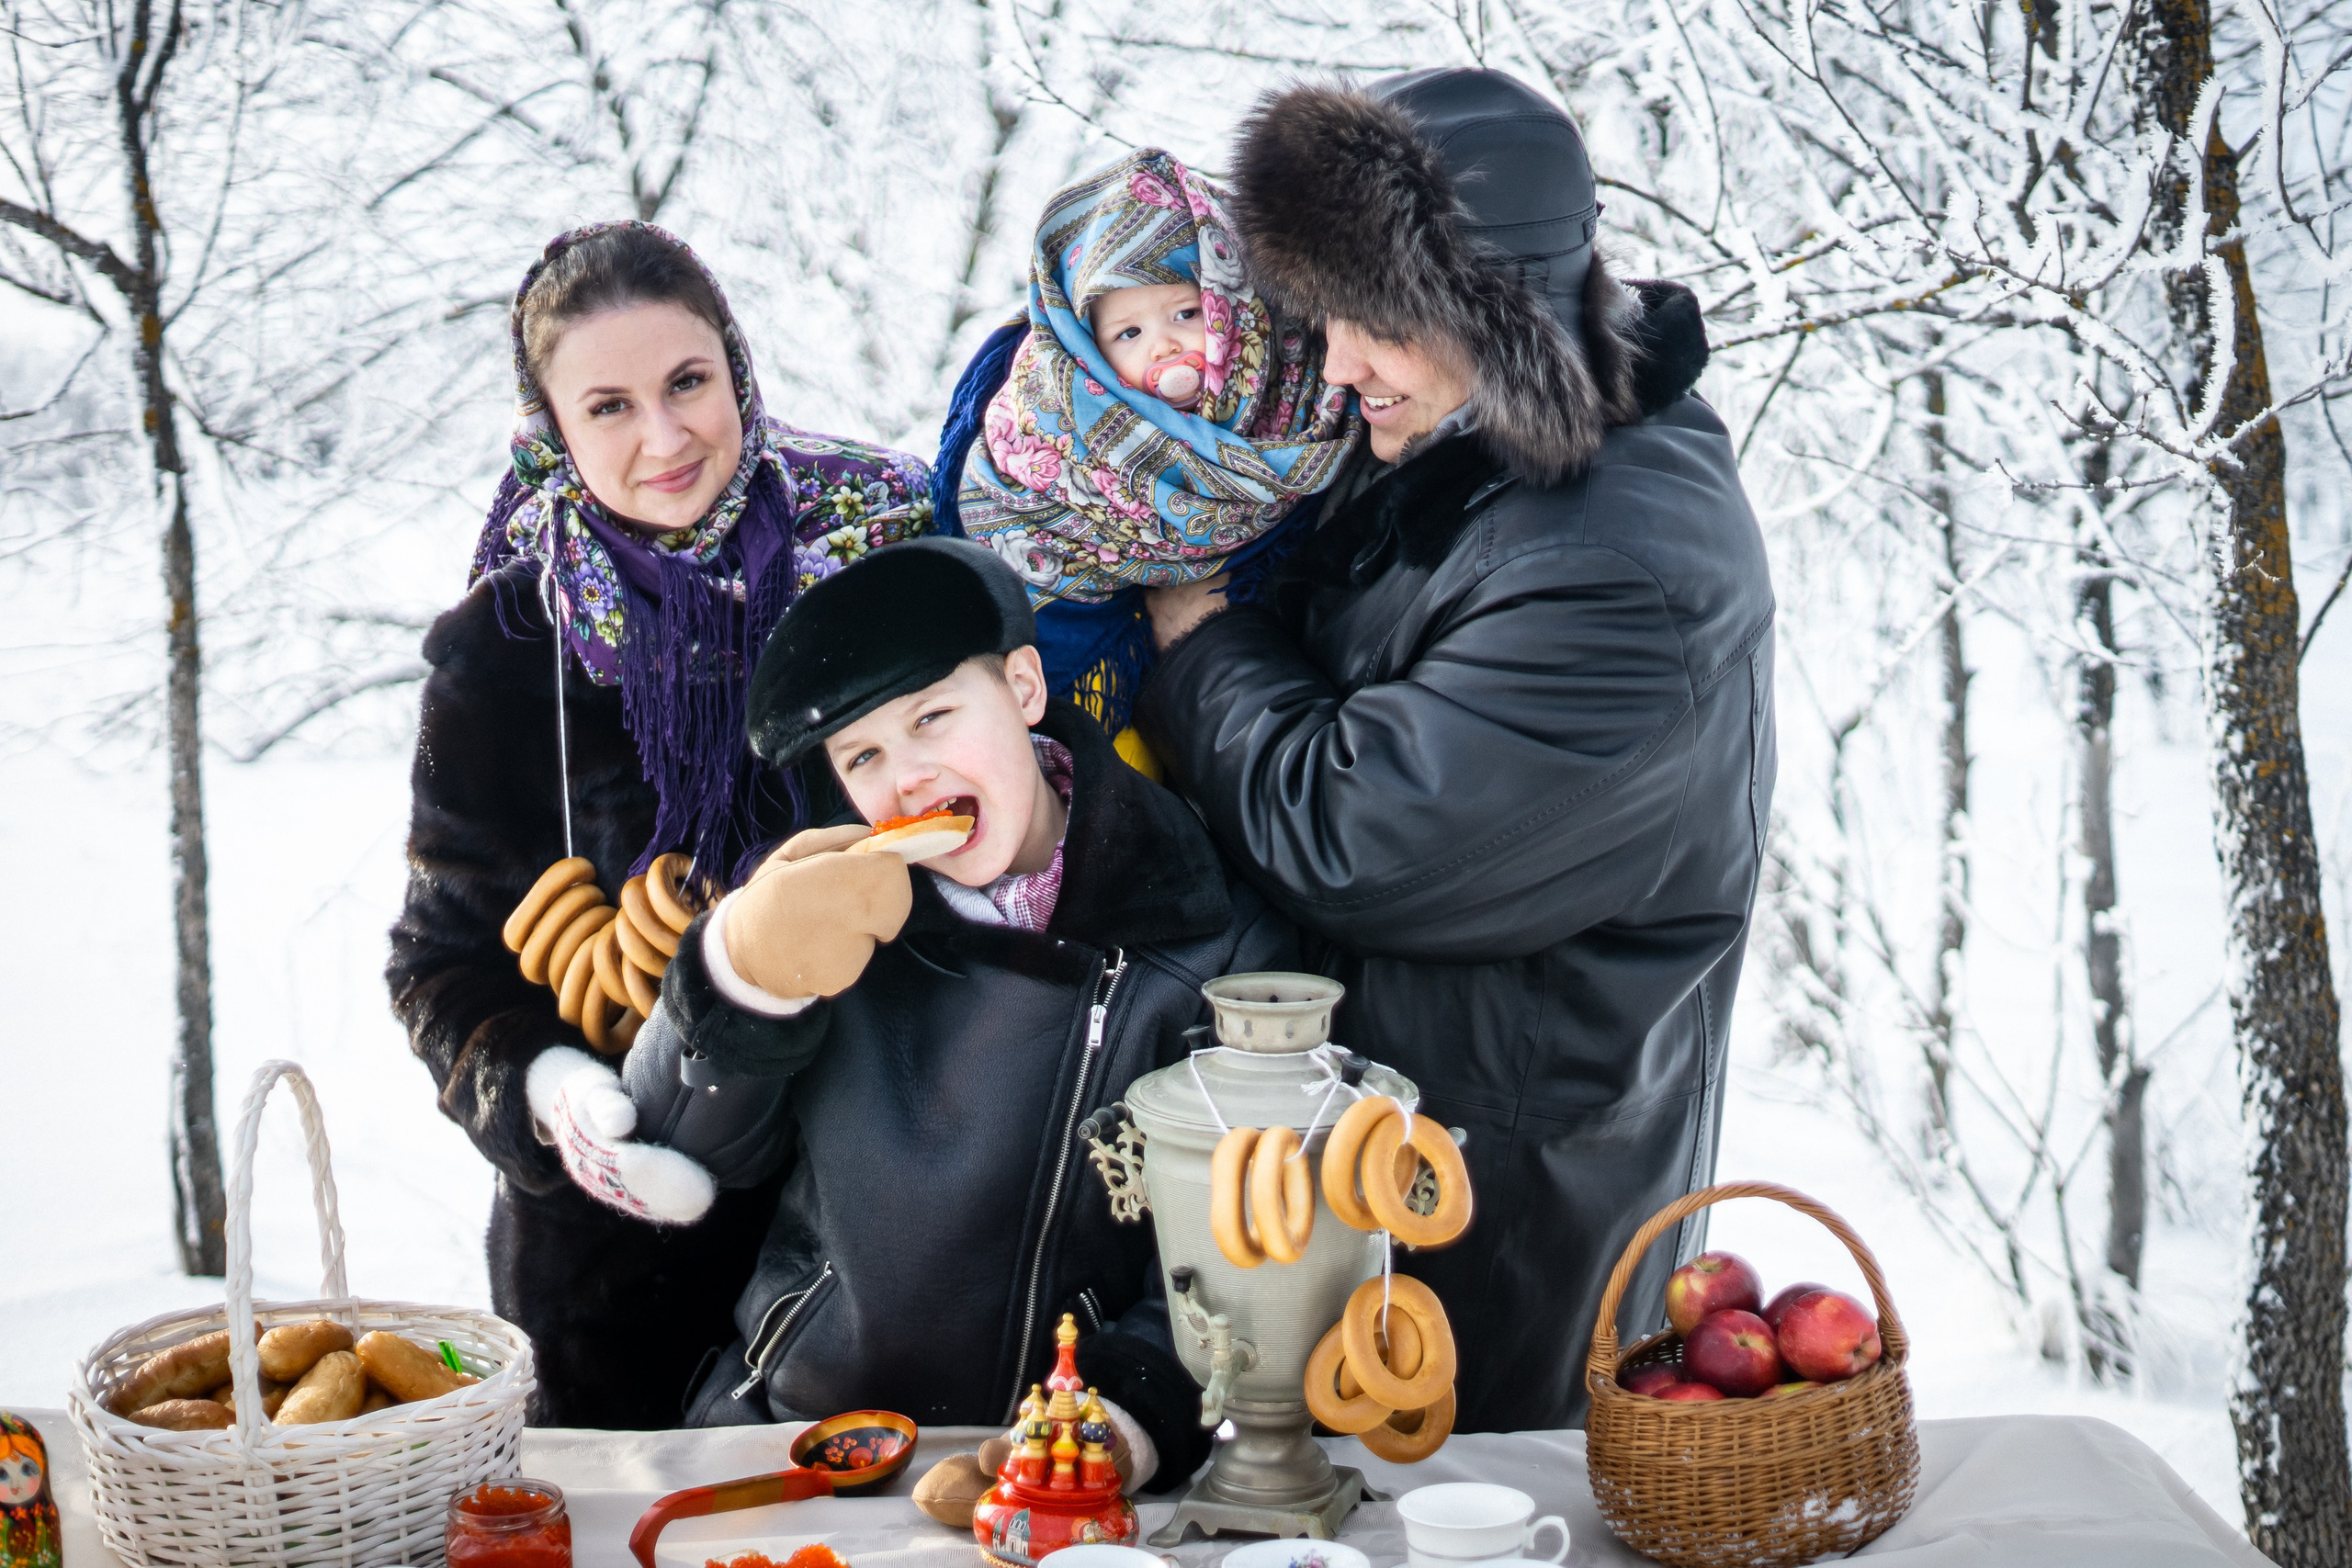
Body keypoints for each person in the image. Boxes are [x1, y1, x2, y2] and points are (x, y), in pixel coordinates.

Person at [1136, 69, 1778, 1431]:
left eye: (1383, 322)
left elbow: (1355, 833)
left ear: (1505, 314)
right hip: (1378, 1138)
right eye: (1330, 314)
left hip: (1497, 1204)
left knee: (1458, 1516)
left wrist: (1198, 642)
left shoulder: (1621, 563)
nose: (1342, 359)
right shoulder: (1466, 443)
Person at [541, 536, 1295, 1487]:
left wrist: (1120, 1423)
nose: (905, 780)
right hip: (798, 1438)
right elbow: (676, 1157)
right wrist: (737, 974)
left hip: (1052, 1461)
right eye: (862, 753)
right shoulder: (824, 903)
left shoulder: (1209, 931)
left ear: (1023, 688)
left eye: (934, 717)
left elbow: (1236, 1248)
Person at [387, 221, 933, 1427]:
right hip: (627, 1249)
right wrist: (550, 1086)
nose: (667, 437)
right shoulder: (506, 653)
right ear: (555, 433)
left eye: (687, 382)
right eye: (611, 407)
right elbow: (440, 964)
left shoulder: (884, 560)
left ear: (732, 363)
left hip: (882, 1217)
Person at [935, 148, 1358, 770]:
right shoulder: (1057, 416)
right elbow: (1007, 508)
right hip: (1088, 673)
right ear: (1091, 351)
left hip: (1236, 705)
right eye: (1128, 333)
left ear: (1236, 310)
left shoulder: (1297, 406)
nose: (1163, 344)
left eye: (1187, 314)